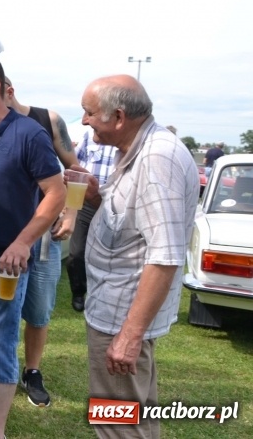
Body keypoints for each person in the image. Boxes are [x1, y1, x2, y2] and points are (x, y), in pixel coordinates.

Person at [75, 75, 198, 439]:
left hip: (121, 318)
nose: (83, 120)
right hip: (116, 310)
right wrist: (97, 198)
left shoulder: (157, 158)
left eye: (89, 112)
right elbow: (132, 225)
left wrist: (129, 336)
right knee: (135, 419)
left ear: (118, 117)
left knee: (117, 424)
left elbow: (164, 255)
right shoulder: (135, 150)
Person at [0, 61, 65, 439]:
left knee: (0, 341)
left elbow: (56, 193)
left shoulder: (29, 133)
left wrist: (23, 242)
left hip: (6, 262)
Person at [1, 77, 76, 408]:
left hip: (44, 237)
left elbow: (75, 170)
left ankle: (32, 371)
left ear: (9, 91)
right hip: (3, 236)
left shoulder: (49, 120)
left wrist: (71, 213)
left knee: (39, 309)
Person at [65, 128, 116, 312]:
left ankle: (105, 296)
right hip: (86, 202)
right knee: (77, 253)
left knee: (109, 254)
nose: (86, 121)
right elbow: (72, 164)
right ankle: (78, 292)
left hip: (114, 204)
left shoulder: (129, 143)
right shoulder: (88, 137)